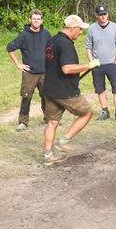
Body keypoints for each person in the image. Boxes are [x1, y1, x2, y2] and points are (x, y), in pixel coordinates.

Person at [39, 15, 99, 166]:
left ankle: (48, 155)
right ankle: (64, 142)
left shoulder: (51, 41)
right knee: (87, 112)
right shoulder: (66, 44)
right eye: (79, 29)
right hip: (64, 91)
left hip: (49, 89)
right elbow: (66, 68)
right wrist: (89, 65)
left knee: (52, 122)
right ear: (72, 29)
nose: (80, 32)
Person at [6, 9, 51, 131]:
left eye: (38, 19)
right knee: (26, 97)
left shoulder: (47, 34)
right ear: (30, 20)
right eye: (34, 19)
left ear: (41, 20)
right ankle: (23, 122)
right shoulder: (23, 36)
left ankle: (50, 119)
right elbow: (10, 47)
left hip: (45, 72)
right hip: (30, 73)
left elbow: (51, 49)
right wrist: (18, 64)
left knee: (47, 97)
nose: (36, 21)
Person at [85, 4, 116, 123]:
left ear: (107, 14)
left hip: (112, 64)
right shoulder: (91, 29)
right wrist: (92, 62)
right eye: (100, 15)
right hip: (97, 65)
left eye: (105, 14)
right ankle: (105, 111)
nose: (103, 17)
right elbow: (88, 47)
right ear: (96, 15)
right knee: (100, 89)